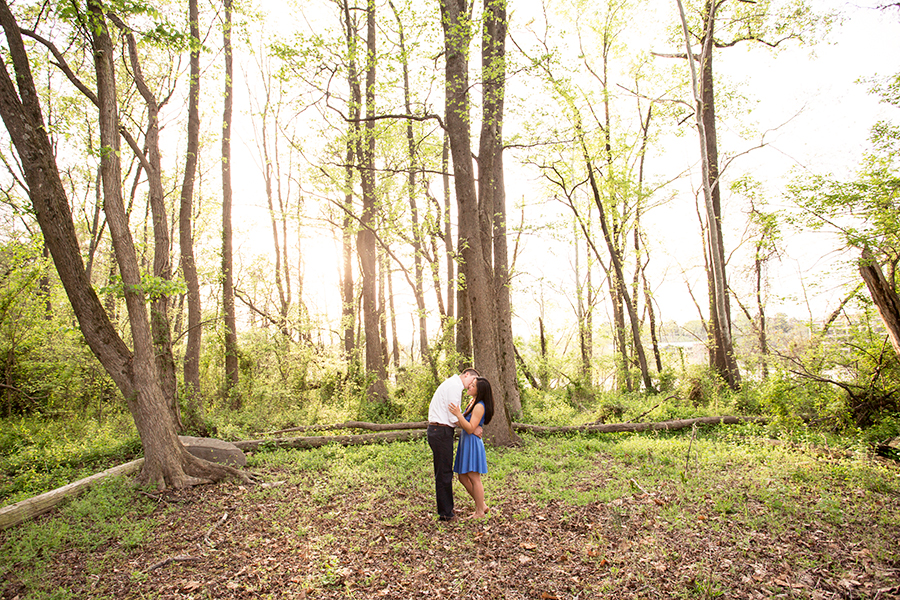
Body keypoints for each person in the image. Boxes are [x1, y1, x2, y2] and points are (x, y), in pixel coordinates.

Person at [427, 368, 480, 522]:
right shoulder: (454, 386)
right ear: (467, 375)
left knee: (444, 471)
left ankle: (447, 508)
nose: (471, 386)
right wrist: (472, 428)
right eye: (472, 382)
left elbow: (454, 415)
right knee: (444, 473)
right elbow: (453, 418)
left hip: (440, 431)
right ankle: (445, 514)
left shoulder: (453, 385)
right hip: (440, 430)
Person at [449, 376, 494, 518]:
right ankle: (482, 505)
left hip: (472, 443)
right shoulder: (472, 401)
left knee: (474, 478)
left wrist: (458, 414)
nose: (469, 386)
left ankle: (480, 511)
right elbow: (468, 425)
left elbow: (469, 427)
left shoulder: (480, 406)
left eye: (473, 385)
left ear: (479, 391)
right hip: (466, 440)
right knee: (462, 477)